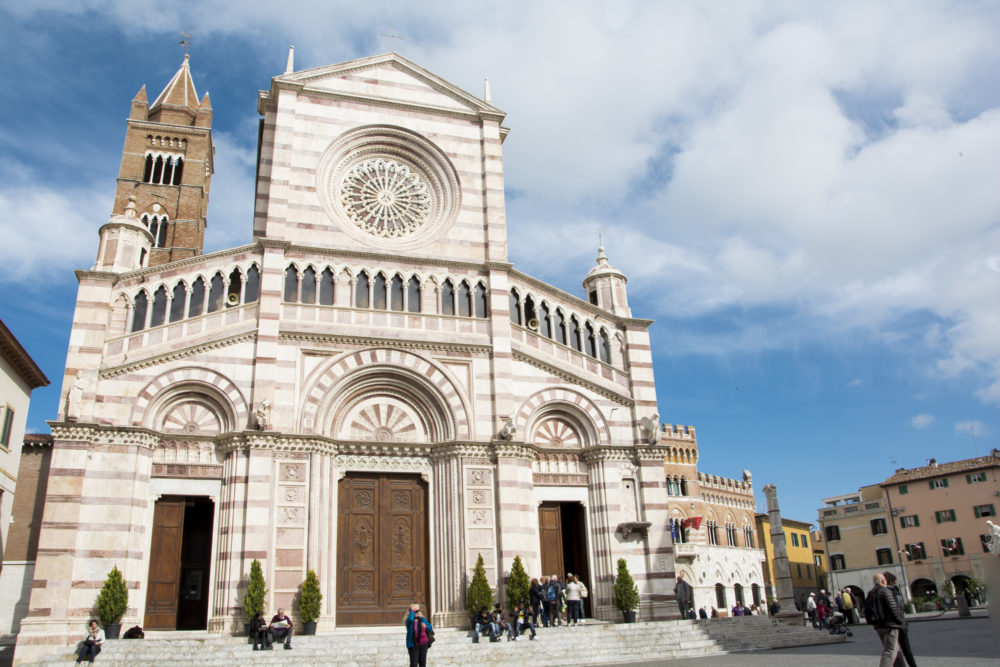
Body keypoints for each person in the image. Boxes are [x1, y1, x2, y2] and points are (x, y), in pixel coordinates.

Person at [866, 573, 906, 667]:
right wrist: (900, 621)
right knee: (890, 651)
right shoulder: (885, 591)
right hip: (890, 624)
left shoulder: (871, 593)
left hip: (878, 625)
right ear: (883, 581)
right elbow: (893, 607)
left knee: (895, 648)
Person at [884, 572, 917, 667]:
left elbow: (893, 609)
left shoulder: (887, 593)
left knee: (892, 650)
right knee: (906, 649)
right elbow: (900, 607)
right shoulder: (897, 592)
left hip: (894, 624)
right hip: (902, 623)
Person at [405, 603, 433, 667]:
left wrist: (425, 626)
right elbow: (411, 619)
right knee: (414, 664)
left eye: (418, 611)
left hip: (423, 643)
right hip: (413, 644)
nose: (417, 613)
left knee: (422, 663)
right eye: (415, 611)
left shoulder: (422, 619)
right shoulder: (409, 621)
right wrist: (412, 610)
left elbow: (430, 627)